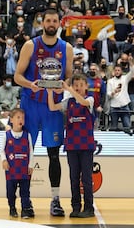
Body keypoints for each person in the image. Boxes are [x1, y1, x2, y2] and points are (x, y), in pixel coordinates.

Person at [14, 8, 73, 217]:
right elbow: (17, 76)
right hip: (31, 105)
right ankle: (26, 202)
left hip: (52, 107)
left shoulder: (67, 49)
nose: (51, 23)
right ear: (42, 22)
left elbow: (68, 79)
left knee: (54, 155)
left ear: (59, 24)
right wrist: (31, 85)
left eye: (54, 20)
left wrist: (63, 87)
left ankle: (55, 201)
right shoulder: (31, 45)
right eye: (48, 20)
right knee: (26, 154)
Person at [47, 74, 95, 218]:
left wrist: (67, 88)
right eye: (76, 85)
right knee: (74, 178)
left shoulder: (89, 99)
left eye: (81, 85)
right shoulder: (68, 102)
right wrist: (50, 92)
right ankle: (75, 207)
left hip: (86, 145)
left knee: (86, 179)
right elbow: (52, 107)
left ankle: (89, 208)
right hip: (72, 145)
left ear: (86, 86)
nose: (78, 87)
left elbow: (83, 102)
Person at [1, 108, 35, 219]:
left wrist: (30, 165)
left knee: (25, 191)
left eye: (23, 118)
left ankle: (25, 209)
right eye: (18, 117)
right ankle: (12, 207)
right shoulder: (6, 135)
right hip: (11, 169)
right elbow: (1, 150)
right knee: (10, 191)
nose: (21, 120)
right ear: (11, 120)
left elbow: (31, 151)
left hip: (24, 169)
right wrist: (4, 160)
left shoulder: (27, 135)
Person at [107, 60, 134, 131]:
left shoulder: (125, 78)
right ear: (113, 71)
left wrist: (131, 62)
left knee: (127, 126)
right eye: (115, 70)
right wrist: (114, 92)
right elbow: (108, 94)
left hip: (124, 106)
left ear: (121, 71)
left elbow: (132, 72)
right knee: (114, 127)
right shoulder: (110, 81)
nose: (117, 72)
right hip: (114, 107)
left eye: (118, 70)